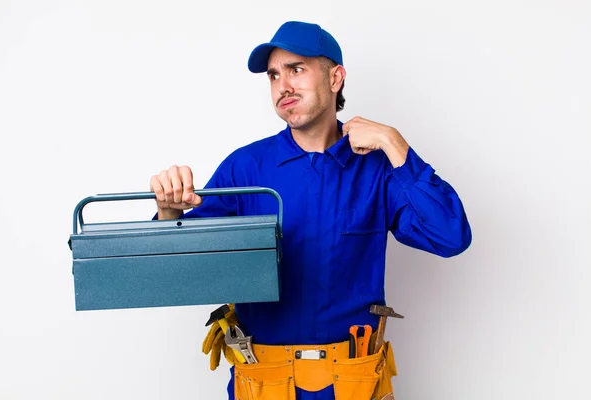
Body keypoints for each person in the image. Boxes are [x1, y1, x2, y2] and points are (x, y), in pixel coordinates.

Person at [150, 21, 471, 400]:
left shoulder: (379, 169)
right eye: (273, 75)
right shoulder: (246, 168)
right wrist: (169, 214)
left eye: (296, 69)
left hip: (354, 381)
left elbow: (450, 236)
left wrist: (394, 143)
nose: (282, 85)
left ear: (335, 78)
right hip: (264, 381)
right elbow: (175, 269)